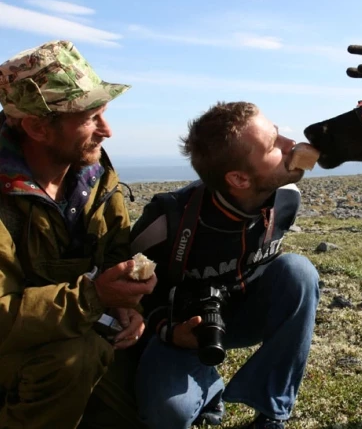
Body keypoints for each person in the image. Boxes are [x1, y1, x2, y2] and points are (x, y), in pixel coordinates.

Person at [130, 101, 320, 429]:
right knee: (167, 414)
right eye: (273, 145)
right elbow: (129, 297)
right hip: (183, 331)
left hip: (246, 314)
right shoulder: (167, 220)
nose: (291, 145)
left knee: (299, 273)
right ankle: (208, 389)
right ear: (239, 178)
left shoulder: (287, 197)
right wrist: (170, 331)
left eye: (278, 135)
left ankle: (273, 413)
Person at [0, 40, 157, 429]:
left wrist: (127, 305)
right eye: (91, 118)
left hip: (77, 330)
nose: (107, 130)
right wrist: (94, 297)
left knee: (151, 406)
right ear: (37, 127)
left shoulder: (94, 174)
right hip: (23, 348)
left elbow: (115, 250)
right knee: (76, 359)